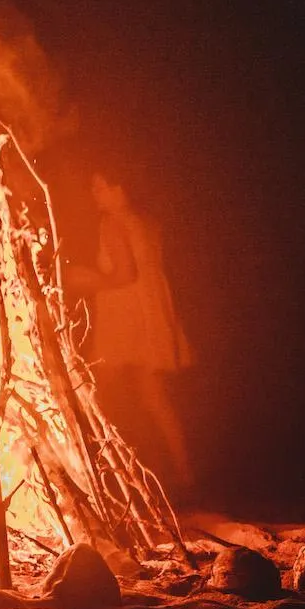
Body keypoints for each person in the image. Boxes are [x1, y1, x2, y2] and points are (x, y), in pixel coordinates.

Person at [67, 171, 195, 489]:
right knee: (154, 398)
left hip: (125, 320)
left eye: (99, 186)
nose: (94, 193)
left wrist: (82, 278)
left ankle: (99, 476)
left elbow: (123, 275)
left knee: (93, 391)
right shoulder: (147, 222)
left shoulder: (111, 224)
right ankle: (186, 474)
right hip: (152, 317)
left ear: (119, 187)